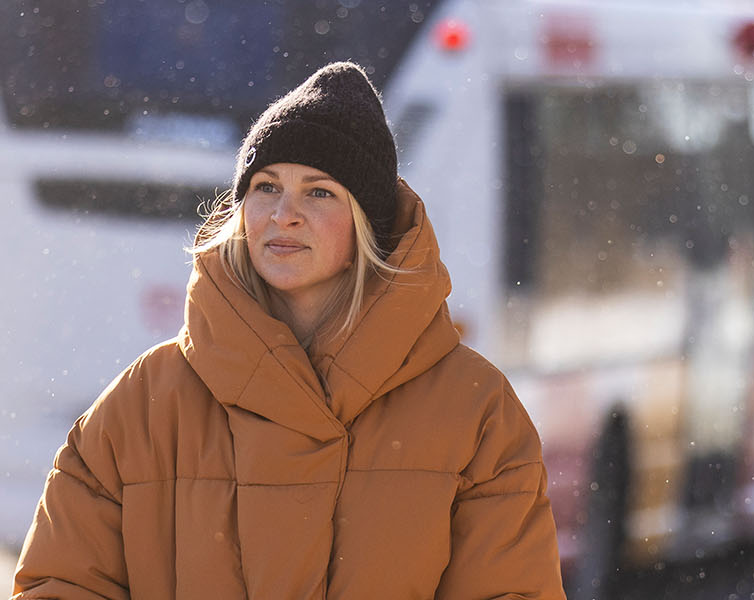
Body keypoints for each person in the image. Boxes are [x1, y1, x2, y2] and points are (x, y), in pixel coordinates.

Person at [11, 62, 566, 599]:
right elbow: (60, 585)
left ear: (366, 222)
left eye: (319, 191)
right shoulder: (143, 404)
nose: (284, 214)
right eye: (266, 186)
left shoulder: (474, 410)